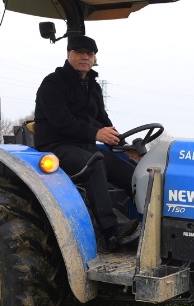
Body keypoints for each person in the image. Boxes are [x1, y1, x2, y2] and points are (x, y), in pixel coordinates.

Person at [34, 35, 140, 249]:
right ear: (68, 54)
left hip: (86, 146)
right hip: (56, 147)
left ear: (94, 58)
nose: (84, 56)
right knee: (94, 163)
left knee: (133, 173)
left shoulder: (93, 86)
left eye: (89, 53)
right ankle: (111, 232)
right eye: (79, 52)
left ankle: (147, 225)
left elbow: (104, 122)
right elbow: (61, 121)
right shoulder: (53, 83)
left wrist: (125, 147)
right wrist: (95, 134)